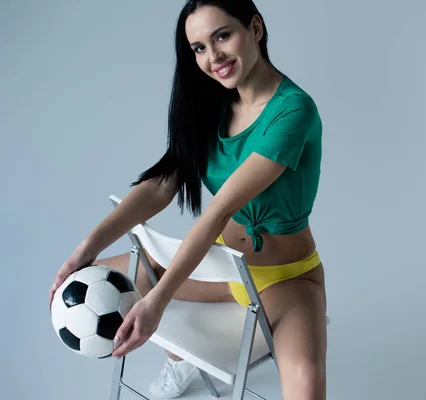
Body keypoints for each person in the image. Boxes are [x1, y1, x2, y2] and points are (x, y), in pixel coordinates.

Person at [48, 1, 327, 399]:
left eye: (222, 36)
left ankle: (180, 347)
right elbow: (161, 185)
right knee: (89, 281)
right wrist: (85, 248)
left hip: (287, 280)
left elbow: (220, 208)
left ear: (255, 28)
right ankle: (180, 362)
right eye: (198, 48)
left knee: (307, 391)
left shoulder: (294, 111)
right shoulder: (212, 104)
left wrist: (157, 302)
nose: (213, 58)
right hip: (222, 270)